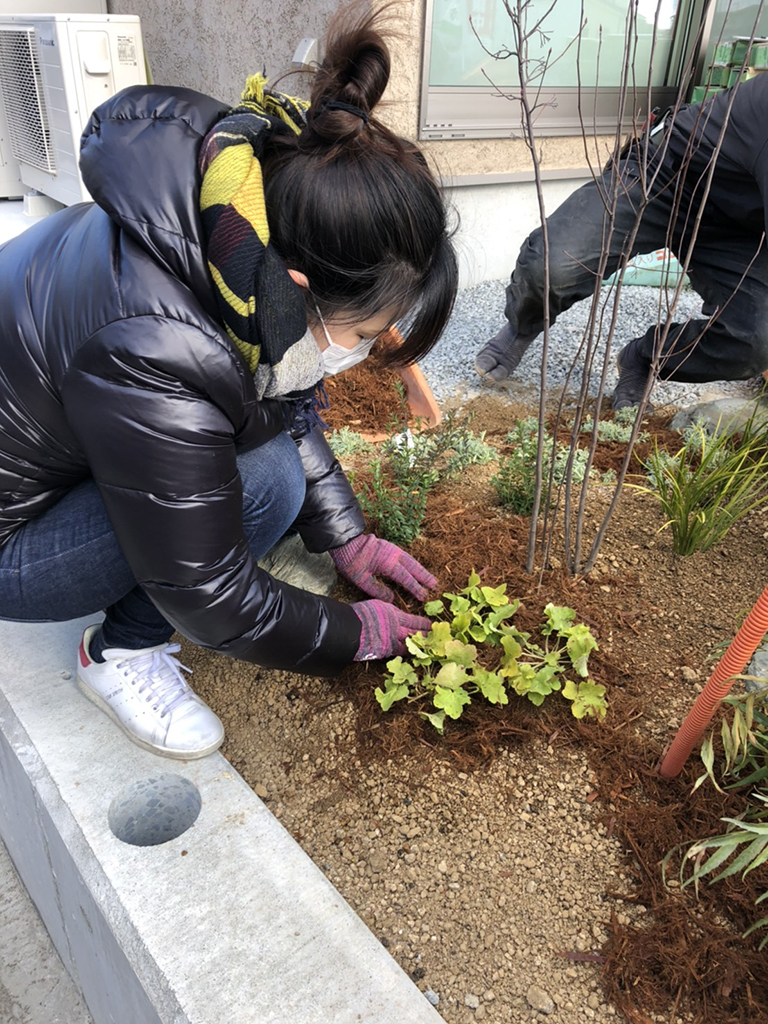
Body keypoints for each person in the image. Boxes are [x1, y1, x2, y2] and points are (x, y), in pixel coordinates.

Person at [0, 4, 457, 760]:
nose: (363, 354)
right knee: (265, 483)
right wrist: (353, 634)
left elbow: (274, 395)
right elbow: (207, 593)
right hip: (11, 533)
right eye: (367, 338)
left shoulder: (235, 222)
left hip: (52, 438)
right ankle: (118, 658)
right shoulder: (157, 343)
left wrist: (344, 535)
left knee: (263, 463)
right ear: (301, 285)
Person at [475, 73, 768, 409]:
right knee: (552, 266)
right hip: (665, 170)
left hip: (735, 223)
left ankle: (645, 357)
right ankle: (524, 323)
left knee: (755, 339)